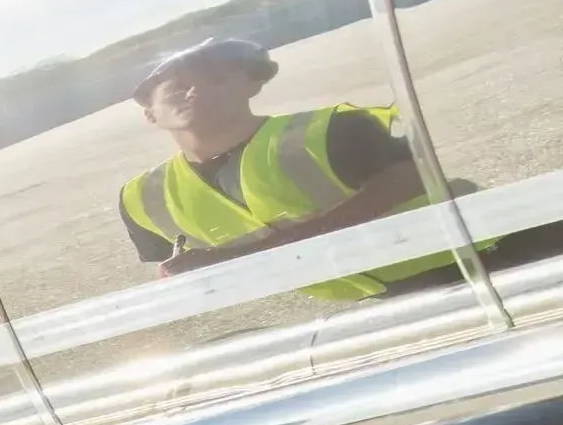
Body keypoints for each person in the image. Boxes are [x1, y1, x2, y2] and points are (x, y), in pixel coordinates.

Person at [119, 37, 447, 299]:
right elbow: (172, 275)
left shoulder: (334, 130)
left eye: (216, 79)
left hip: (477, 262)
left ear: (253, 84)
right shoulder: (143, 198)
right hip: (377, 301)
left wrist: (241, 259)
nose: (195, 91)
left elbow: (413, 179)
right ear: (150, 115)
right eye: (176, 88)